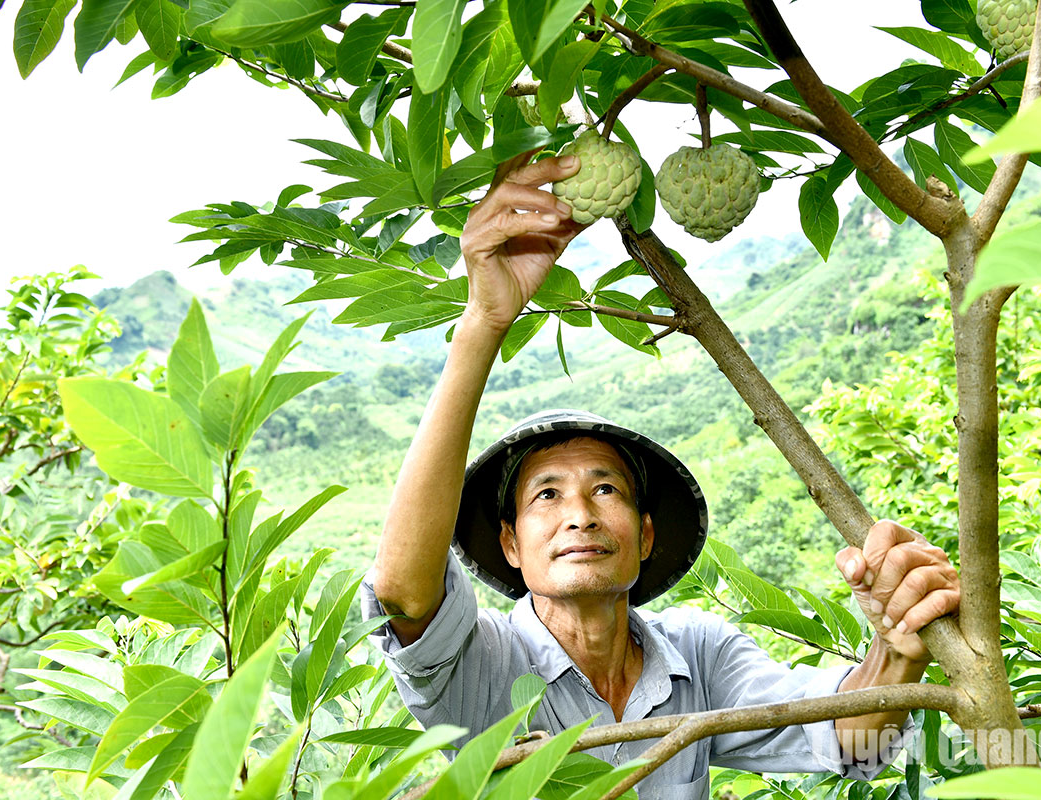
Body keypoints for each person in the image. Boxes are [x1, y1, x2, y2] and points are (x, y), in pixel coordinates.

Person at [362, 151, 961, 800]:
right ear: (510, 543)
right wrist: (484, 321)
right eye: (547, 494)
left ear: (645, 535)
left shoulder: (696, 657)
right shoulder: (484, 670)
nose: (580, 514)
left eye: (606, 489)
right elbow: (402, 595)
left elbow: (846, 737)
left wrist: (898, 650)